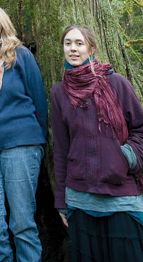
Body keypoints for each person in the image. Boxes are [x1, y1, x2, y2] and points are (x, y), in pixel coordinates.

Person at [51, 24, 143, 261]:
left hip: (121, 197)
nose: (73, 49)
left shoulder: (116, 83)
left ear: (91, 48)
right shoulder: (59, 92)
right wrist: (61, 202)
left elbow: (140, 129)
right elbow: (60, 150)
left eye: (79, 43)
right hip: (80, 200)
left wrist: (125, 158)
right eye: (68, 43)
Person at [0, 3, 47, 262]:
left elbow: (38, 99)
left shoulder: (20, 55)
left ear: (3, 23)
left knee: (23, 223)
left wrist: (37, 142)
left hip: (20, 143)